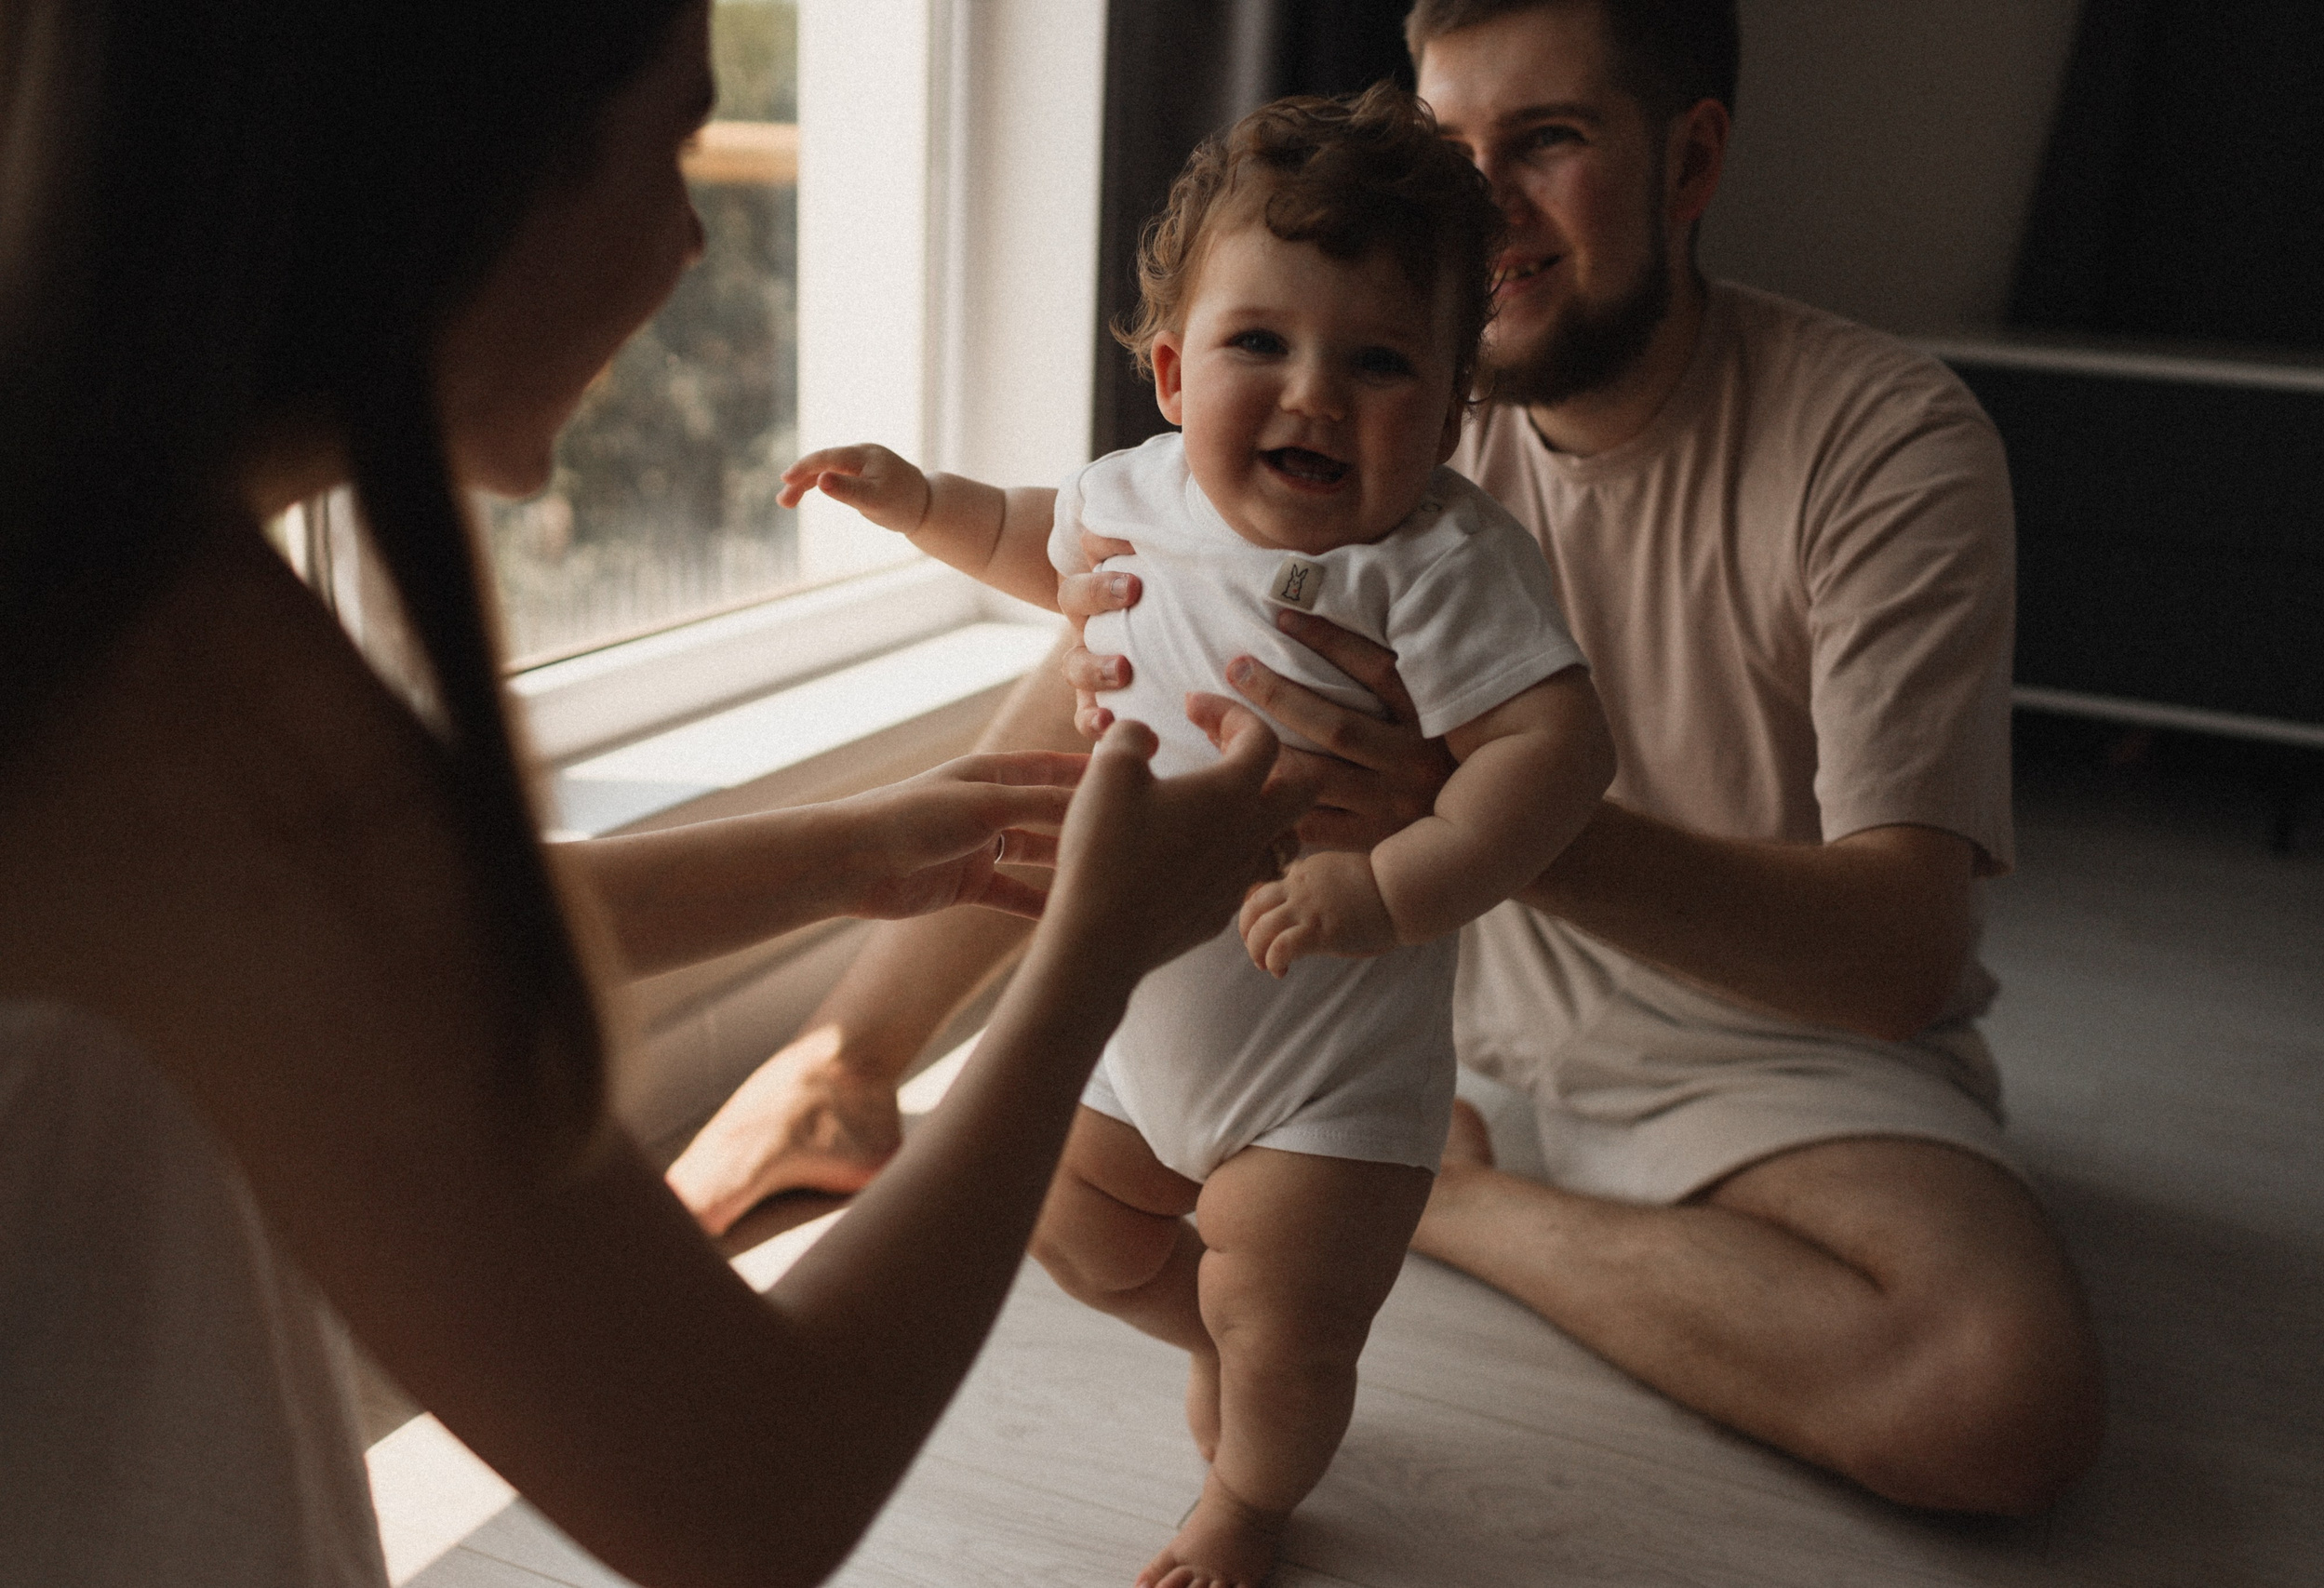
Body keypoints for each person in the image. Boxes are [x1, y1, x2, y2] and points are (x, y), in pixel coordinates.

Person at [669, 0, 2110, 1520]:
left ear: (1691, 159)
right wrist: (866, 1048)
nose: (1482, 208)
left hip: (1747, 1049)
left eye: (1546, 142)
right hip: (1383, 997)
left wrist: (1468, 821)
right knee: (1126, 627)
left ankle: (1446, 1205)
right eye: (1451, 148)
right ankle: (843, 1072)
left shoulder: (1877, 439)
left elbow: (1898, 955)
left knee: (1992, 1398)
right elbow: (1109, 624)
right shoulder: (1357, 388)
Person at [0, 3, 1313, 1585]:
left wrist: (850, 848)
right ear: (467, 163)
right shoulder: (185, 688)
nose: (696, 240)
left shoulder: (87, 594)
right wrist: (1091, 952)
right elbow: (750, 1488)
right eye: (677, 144)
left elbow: (355, 934)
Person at [774, 89, 1611, 1588]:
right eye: (1260, 347)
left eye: (1378, 363)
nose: (1314, 395)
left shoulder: (1437, 564)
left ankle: (1251, 1497)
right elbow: (1038, 538)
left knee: (1284, 1340)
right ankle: (1216, 1321)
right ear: (1170, 371)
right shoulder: (1137, 497)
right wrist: (916, 505)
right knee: (1073, 1230)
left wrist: (1398, 883)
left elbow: (1553, 752)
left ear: (1451, 407)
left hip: (1324, 1074)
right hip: (1131, 1030)